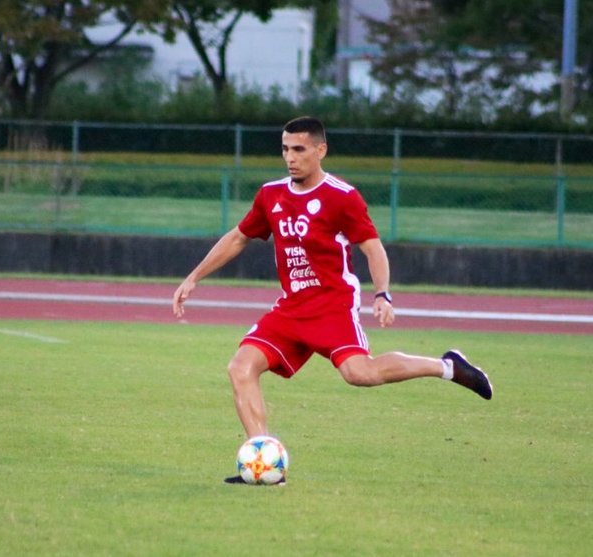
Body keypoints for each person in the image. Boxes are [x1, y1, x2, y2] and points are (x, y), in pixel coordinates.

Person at [172, 116, 493, 484]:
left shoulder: (342, 197)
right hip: (291, 308)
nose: (290, 158)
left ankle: (447, 366)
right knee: (240, 367)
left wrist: (382, 293)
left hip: (332, 305)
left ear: (320, 150)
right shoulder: (270, 195)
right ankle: (262, 461)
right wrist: (194, 276)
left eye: (299, 149)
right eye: (285, 149)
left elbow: (373, 248)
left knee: (360, 373)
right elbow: (238, 238)